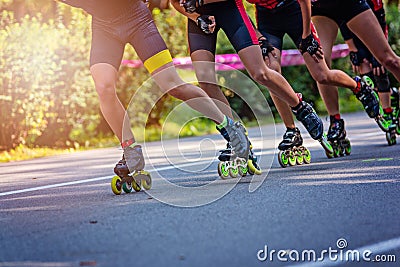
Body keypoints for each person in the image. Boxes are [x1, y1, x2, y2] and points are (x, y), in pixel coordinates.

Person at [57, 0, 252, 188]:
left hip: (137, 21)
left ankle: (229, 127)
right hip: (104, 29)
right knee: (104, 88)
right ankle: (130, 150)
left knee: (172, 85)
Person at [171, 0, 328, 169]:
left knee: (260, 73)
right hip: (200, 16)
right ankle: (235, 137)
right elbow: (175, 2)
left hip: (230, 9)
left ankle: (301, 108)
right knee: (205, 79)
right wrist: (195, 16)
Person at [247, 0, 379, 158]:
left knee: (321, 75)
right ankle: (291, 130)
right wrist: (259, 37)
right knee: (270, 72)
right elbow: (237, 12)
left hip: (295, 12)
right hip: (267, 18)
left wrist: (307, 35)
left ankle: (358, 86)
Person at [339, 0, 399, 141]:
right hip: (357, 41)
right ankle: (391, 97)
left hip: (374, 36)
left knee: (380, 72)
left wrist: (377, 56)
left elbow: (382, 24)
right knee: (367, 79)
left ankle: (388, 113)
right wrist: (353, 50)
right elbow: (343, 25)